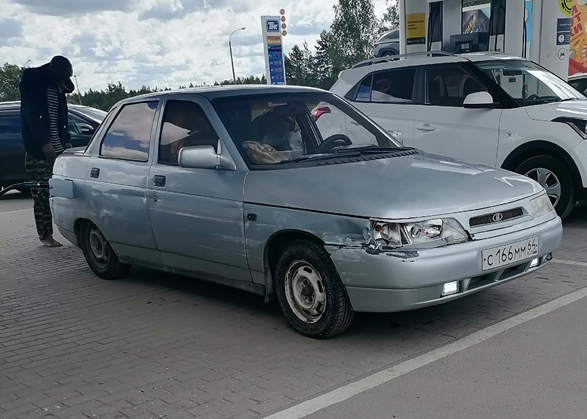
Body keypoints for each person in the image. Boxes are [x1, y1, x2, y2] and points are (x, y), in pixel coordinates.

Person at [19, 56, 75, 247]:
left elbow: (63, 114)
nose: (63, 81)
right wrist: (43, 141)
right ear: (52, 70)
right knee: (42, 192)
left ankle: (73, 232)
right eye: (61, 76)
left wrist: (66, 140)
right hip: (38, 149)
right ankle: (45, 235)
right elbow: (31, 114)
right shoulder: (32, 81)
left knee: (65, 191)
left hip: (58, 146)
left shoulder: (59, 85)